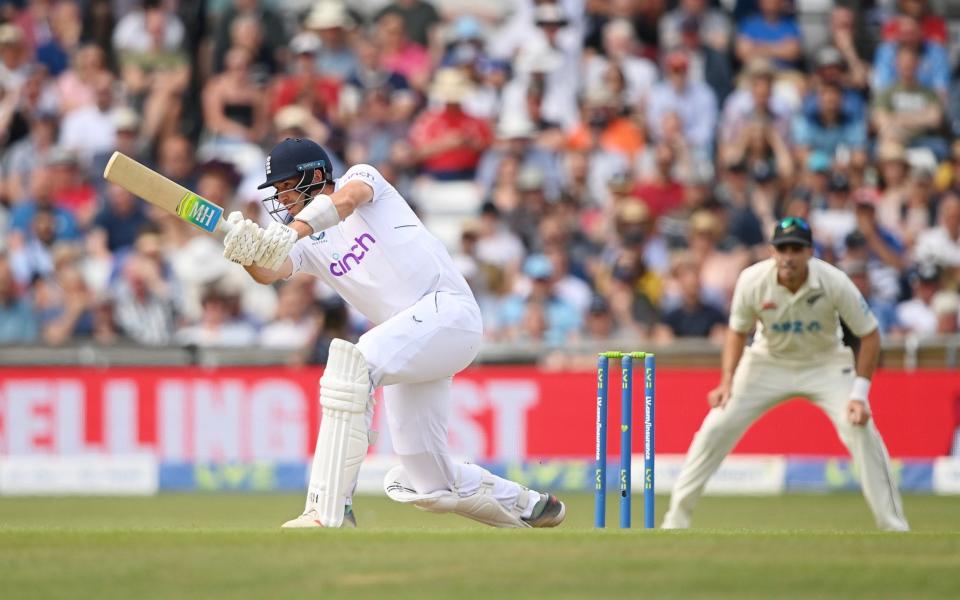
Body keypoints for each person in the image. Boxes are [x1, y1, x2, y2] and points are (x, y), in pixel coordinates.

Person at [221, 137, 564, 529]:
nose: (281, 200)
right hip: (415, 340)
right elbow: (269, 271)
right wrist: (244, 251)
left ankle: (328, 511)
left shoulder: (363, 179)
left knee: (351, 366)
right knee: (429, 484)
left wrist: (291, 231)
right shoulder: (310, 244)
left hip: (448, 311)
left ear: (314, 176)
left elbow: (346, 200)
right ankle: (528, 504)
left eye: (285, 188)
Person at [663, 216, 909, 532]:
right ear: (771, 252)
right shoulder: (752, 280)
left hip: (826, 364)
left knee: (861, 429)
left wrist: (860, 395)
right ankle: (676, 519)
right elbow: (737, 333)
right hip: (767, 362)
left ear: (809, 252)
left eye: (795, 248)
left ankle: (892, 524)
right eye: (782, 249)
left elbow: (870, 334)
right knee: (715, 427)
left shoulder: (832, 280)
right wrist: (726, 381)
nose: (788, 257)